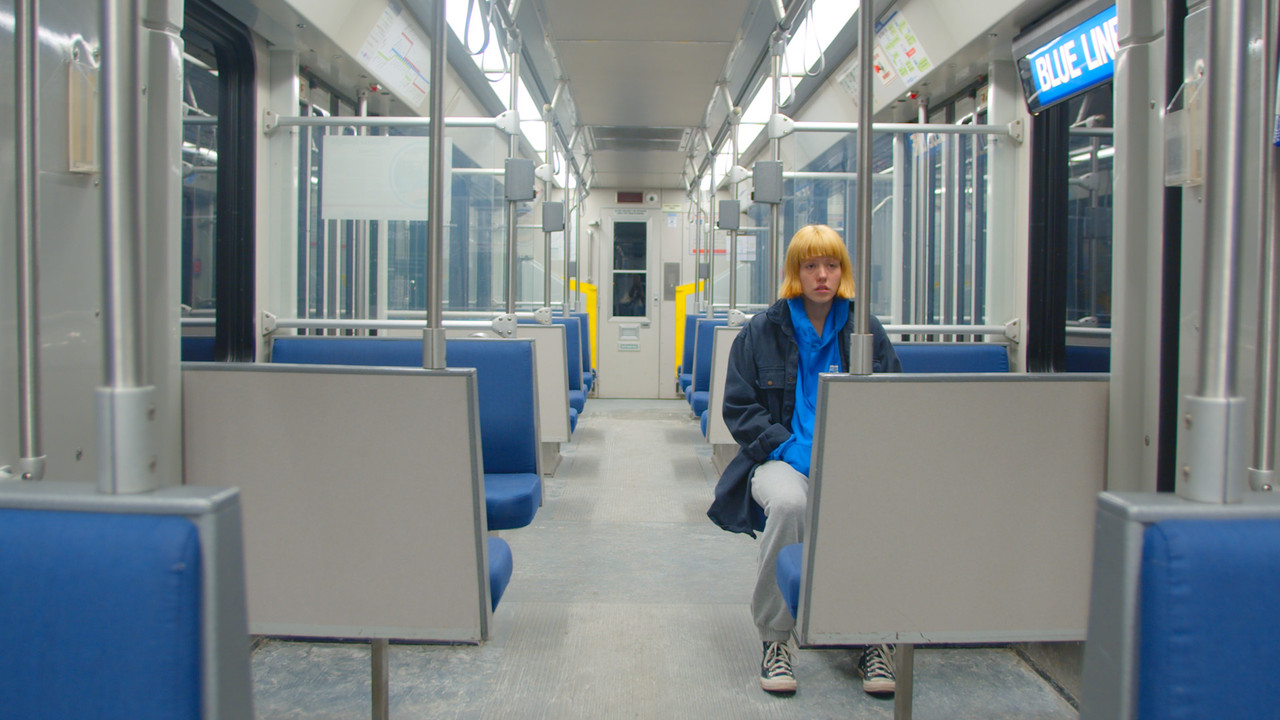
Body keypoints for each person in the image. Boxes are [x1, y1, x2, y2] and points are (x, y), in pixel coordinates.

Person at [707, 224, 901, 696]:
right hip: (780, 457)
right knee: (790, 505)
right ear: (795, 272)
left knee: (877, 510)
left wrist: (855, 457)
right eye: (811, 265)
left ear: (843, 271)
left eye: (831, 265)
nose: (822, 275)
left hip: (851, 460)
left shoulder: (865, 330)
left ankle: (874, 636)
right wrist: (792, 449)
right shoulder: (762, 331)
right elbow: (739, 408)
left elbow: (893, 399)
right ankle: (775, 639)